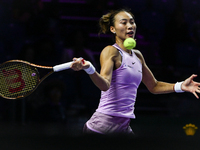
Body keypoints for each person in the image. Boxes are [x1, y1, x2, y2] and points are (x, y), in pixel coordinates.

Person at [69, 8, 200, 135]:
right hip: (101, 128)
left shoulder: (137, 55)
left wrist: (180, 86)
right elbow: (104, 85)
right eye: (124, 22)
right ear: (112, 29)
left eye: (132, 22)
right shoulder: (110, 51)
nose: (130, 26)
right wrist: (89, 68)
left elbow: (153, 86)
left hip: (123, 127)